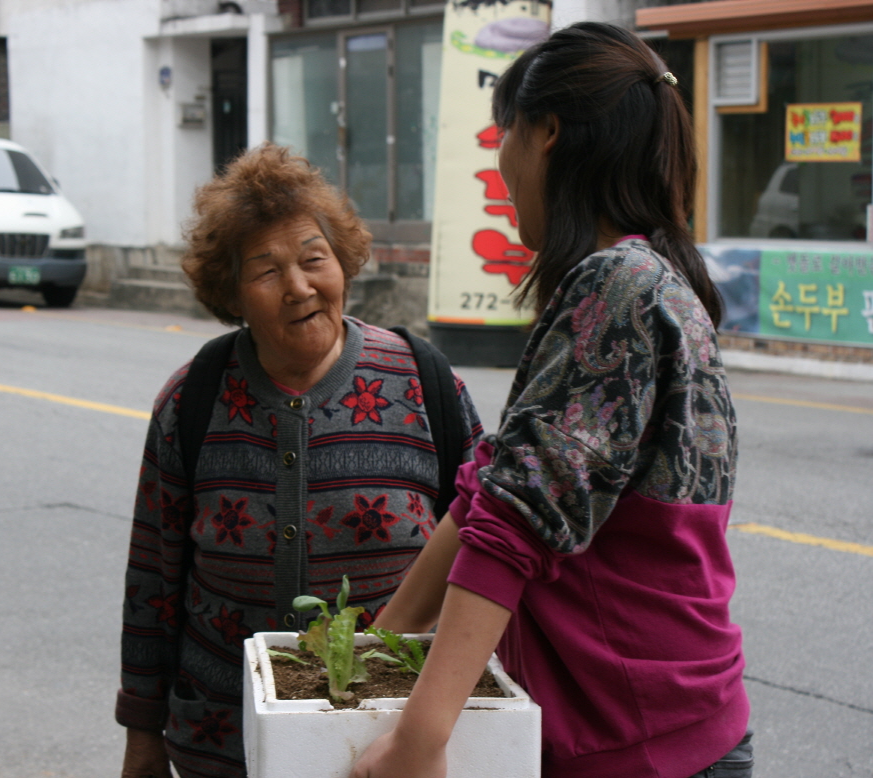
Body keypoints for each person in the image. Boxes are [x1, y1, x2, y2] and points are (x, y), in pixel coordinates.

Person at [351, 22, 752, 778]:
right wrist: (375, 645)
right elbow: (495, 488)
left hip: (642, 746)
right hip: (656, 729)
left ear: (548, 134)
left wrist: (418, 738)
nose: (498, 163)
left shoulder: (617, 289)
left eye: (506, 131)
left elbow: (513, 522)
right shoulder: (649, 277)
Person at [117, 144, 485, 778]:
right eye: (265, 271)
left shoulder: (425, 384)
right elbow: (152, 582)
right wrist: (142, 736)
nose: (298, 287)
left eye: (315, 260)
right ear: (230, 292)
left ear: (341, 262)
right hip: (221, 743)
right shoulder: (192, 398)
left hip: (381, 745)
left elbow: (487, 552)